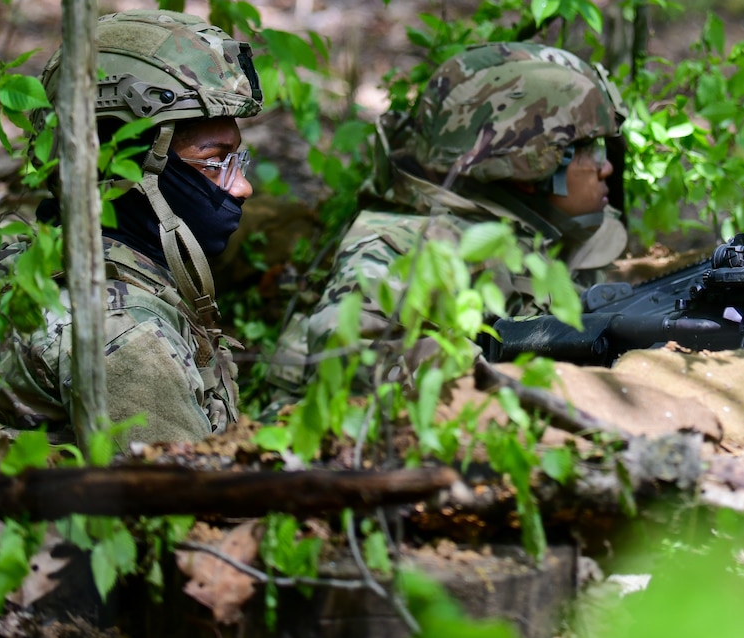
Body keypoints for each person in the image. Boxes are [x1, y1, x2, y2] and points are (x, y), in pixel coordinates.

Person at [0, 10, 262, 443]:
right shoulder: (121, 332)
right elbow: (189, 505)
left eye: (236, 160)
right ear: (123, 166)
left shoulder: (19, 267)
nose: (242, 187)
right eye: (214, 161)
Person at [267, 41, 629, 392]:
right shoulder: (405, 247)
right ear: (533, 161)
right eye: (589, 151)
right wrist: (496, 378)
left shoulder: (547, 231)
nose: (606, 167)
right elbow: (347, 355)